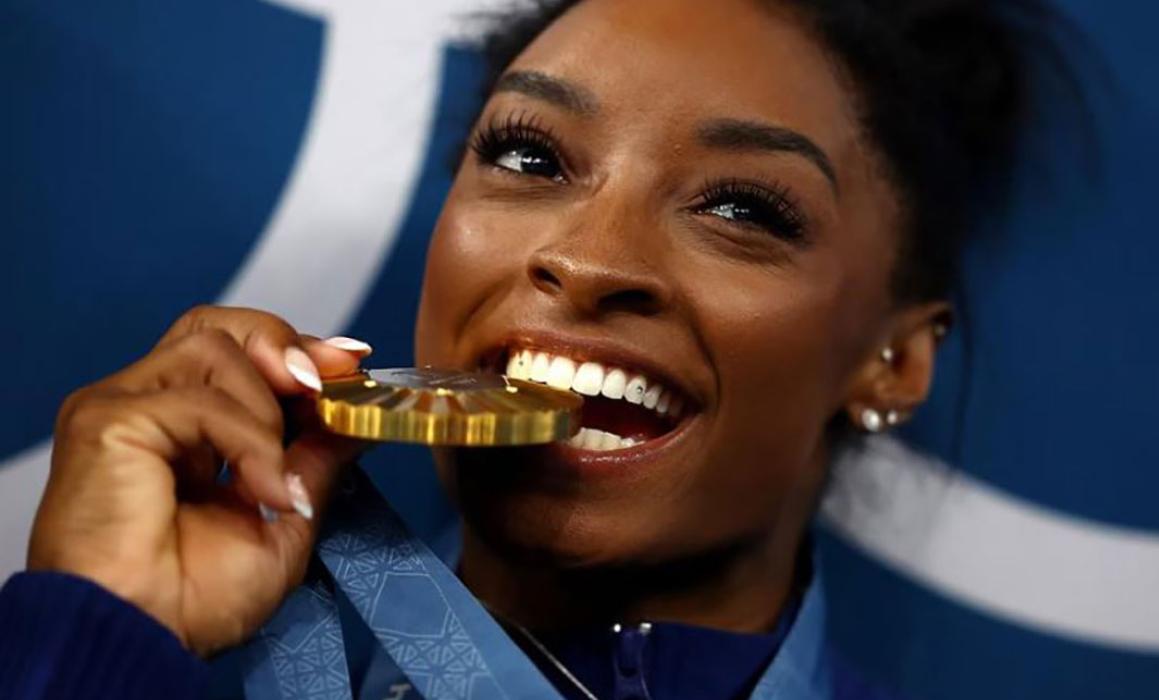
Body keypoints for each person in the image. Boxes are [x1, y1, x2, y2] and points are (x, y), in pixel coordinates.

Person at [0, 0, 1035, 697]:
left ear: (892, 359)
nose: (585, 258)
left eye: (740, 207)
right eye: (529, 155)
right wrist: (104, 628)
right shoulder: (138, 658)